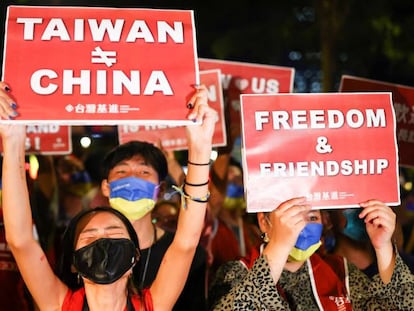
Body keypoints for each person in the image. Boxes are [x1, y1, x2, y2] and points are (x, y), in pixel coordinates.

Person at [0, 81, 217, 310]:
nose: (103, 241)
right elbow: (21, 241)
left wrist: (200, 147)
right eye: (90, 237)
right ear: (74, 262)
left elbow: (186, 242)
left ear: (134, 257)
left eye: (113, 234)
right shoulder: (60, 305)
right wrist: (13, 141)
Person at [211, 196, 414, 310]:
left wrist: (383, 247)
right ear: (264, 221)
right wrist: (280, 247)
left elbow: (401, 306)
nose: (302, 225)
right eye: (292, 216)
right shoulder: (236, 272)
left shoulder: (339, 271)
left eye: (312, 217)